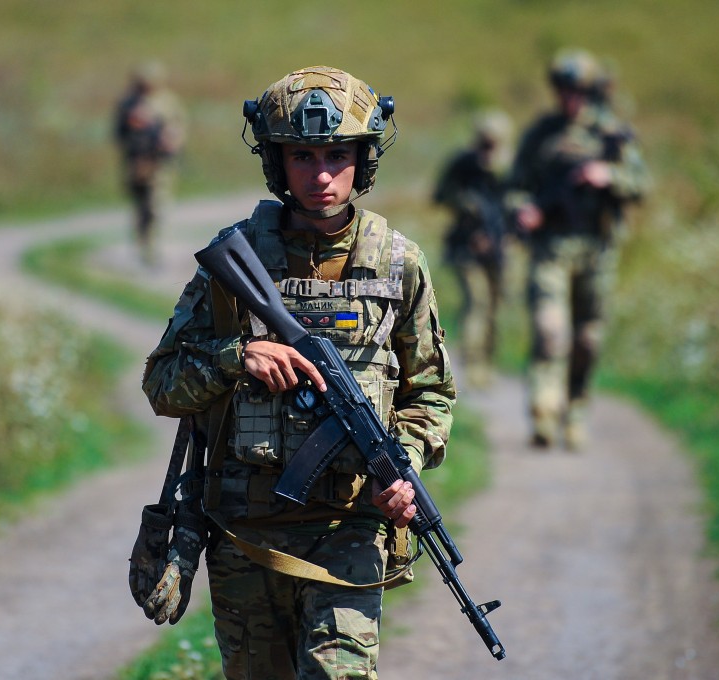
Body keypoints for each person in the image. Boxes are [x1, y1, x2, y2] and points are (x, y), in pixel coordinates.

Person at [140, 65, 456, 679]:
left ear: (363, 161)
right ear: (275, 164)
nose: (320, 174)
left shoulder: (398, 264)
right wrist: (237, 358)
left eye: (338, 154)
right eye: (301, 156)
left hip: (351, 531)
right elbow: (162, 384)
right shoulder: (235, 260)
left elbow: (432, 393)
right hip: (244, 536)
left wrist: (408, 461)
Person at [508, 48, 649, 450]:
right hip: (551, 248)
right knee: (550, 331)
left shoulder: (610, 135)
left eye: (579, 90)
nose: (571, 98)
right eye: (564, 90)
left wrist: (610, 176)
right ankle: (543, 411)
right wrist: (524, 210)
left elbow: (641, 182)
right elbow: (514, 188)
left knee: (588, 339)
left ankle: (577, 410)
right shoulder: (541, 135)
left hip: (597, 250)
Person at [433, 110, 514, 388]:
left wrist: (505, 236)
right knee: (477, 302)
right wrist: (467, 208)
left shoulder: (510, 167)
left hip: (500, 248)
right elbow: (440, 194)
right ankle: (473, 367)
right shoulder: (463, 164)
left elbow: (519, 204)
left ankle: (489, 364)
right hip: (466, 248)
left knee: (495, 306)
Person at [111, 61, 186, 265]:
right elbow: (119, 133)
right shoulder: (128, 104)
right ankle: (144, 248)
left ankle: (156, 249)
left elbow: (178, 129)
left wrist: (170, 141)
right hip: (137, 162)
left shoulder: (168, 102)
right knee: (141, 208)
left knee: (157, 205)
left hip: (159, 164)